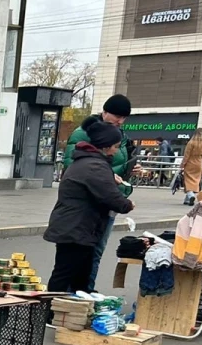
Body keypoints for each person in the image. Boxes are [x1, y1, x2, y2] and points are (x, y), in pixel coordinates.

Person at [44, 119, 135, 293]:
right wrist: (128, 204)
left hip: (78, 228)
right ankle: (50, 312)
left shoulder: (88, 161)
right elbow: (111, 197)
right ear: (106, 146)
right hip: (76, 229)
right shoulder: (94, 165)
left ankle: (72, 311)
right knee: (64, 275)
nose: (116, 151)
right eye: (115, 146)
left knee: (79, 277)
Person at [181, 128, 202, 205]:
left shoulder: (191, 143)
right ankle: (187, 199)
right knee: (195, 180)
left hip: (190, 162)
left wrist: (183, 164)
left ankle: (190, 195)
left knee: (188, 179)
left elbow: (186, 155)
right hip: (199, 162)